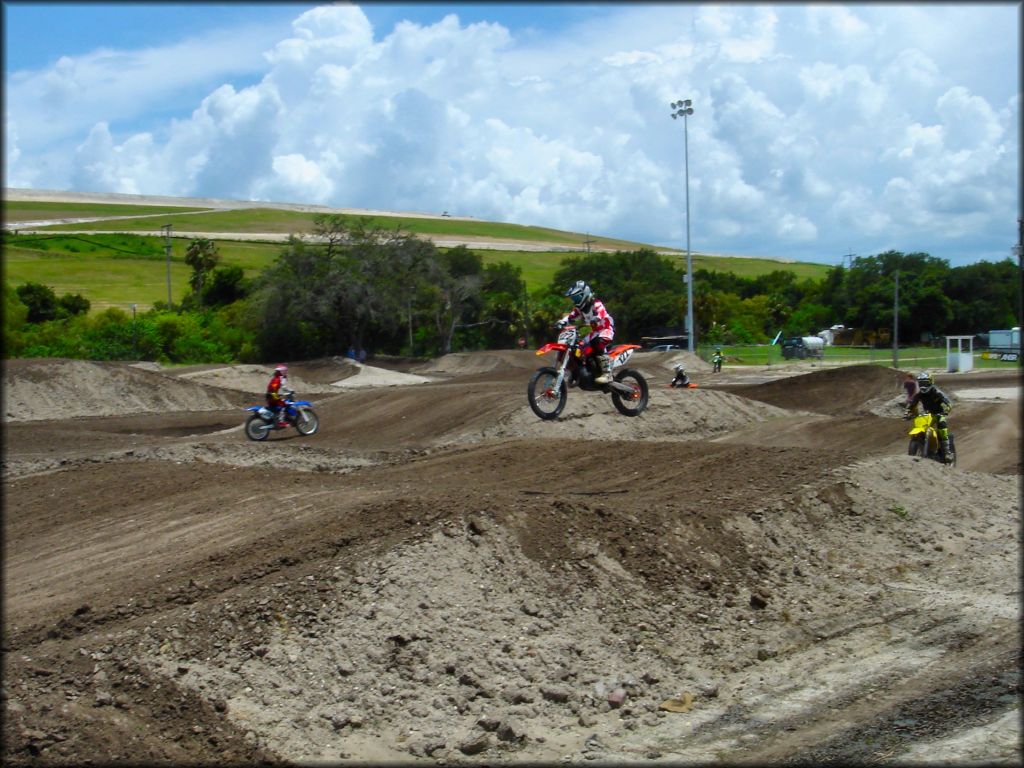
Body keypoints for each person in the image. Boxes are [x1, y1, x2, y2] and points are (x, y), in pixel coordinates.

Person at [556, 280, 615, 384]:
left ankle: (607, 373)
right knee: (579, 347)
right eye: (573, 298)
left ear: (585, 293)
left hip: (606, 329)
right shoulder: (580, 309)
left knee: (597, 342)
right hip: (595, 332)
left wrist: (596, 318)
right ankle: (577, 372)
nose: (575, 300)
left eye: (576, 297)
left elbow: (601, 313)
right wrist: (562, 321)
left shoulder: (596, 304)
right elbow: (570, 316)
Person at [905, 371, 954, 462]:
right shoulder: (919, 394)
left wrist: (946, 410)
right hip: (927, 415)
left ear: (930, 382)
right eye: (921, 383)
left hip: (938, 414)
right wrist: (908, 412)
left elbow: (948, 402)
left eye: (925, 383)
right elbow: (912, 404)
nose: (923, 386)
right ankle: (923, 446)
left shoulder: (936, 392)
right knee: (920, 425)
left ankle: (947, 453)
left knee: (942, 426)